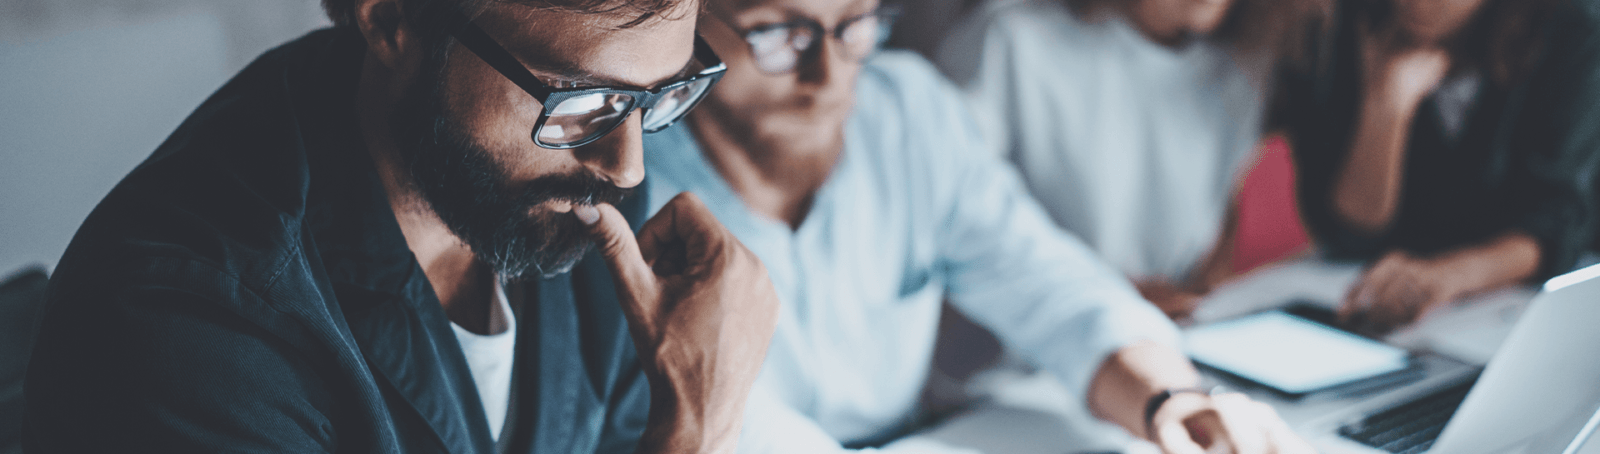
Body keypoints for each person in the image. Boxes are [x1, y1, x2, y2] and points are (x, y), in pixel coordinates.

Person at [23, 0, 781, 452]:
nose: (629, 168)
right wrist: (695, 427)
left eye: (660, 96)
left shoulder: (572, 198)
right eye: (584, 100)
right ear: (393, 21)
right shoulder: (186, 327)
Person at [641, 0, 1313, 452]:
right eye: (779, 34)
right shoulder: (629, 178)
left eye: (854, 24)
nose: (829, 73)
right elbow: (726, 420)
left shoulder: (908, 109)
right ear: (687, 27)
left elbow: (1045, 279)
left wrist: (1170, 397)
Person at [935, 0, 1329, 320]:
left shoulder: (1246, 63)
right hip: (1008, 375)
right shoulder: (1009, 38)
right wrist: (1102, 294)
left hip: (1152, 349)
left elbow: (1211, 233)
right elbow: (946, 227)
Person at [1277, 0, 1600, 333]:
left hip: (1509, 304)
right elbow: (1347, 233)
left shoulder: (1569, 24)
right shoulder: (1345, 23)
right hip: (1369, 294)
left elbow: (1557, 222)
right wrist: (1386, 109)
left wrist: (1446, 277)